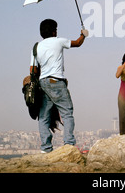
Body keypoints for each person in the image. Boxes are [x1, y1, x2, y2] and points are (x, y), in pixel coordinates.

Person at [30, 19, 88, 153]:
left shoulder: (36, 47)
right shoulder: (58, 41)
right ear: (53, 30)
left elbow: (32, 69)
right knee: (67, 113)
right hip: (56, 81)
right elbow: (78, 43)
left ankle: (46, 148)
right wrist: (83, 34)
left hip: (43, 82)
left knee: (44, 117)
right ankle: (69, 144)